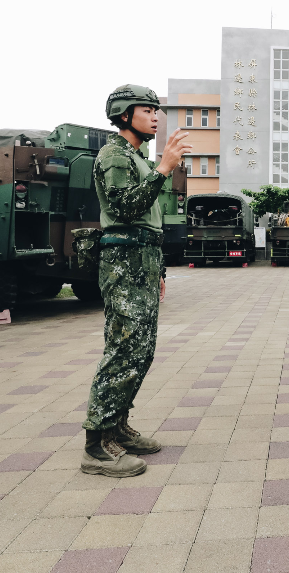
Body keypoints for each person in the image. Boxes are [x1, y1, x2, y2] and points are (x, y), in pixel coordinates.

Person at [81, 84, 192, 477]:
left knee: (141, 350)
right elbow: (125, 207)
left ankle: (118, 428)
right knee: (124, 349)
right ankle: (97, 444)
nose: (156, 116)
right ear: (125, 115)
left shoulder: (135, 156)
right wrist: (165, 168)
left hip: (142, 258)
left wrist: (157, 271)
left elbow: (151, 220)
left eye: (157, 110)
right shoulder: (114, 155)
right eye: (148, 110)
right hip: (124, 259)